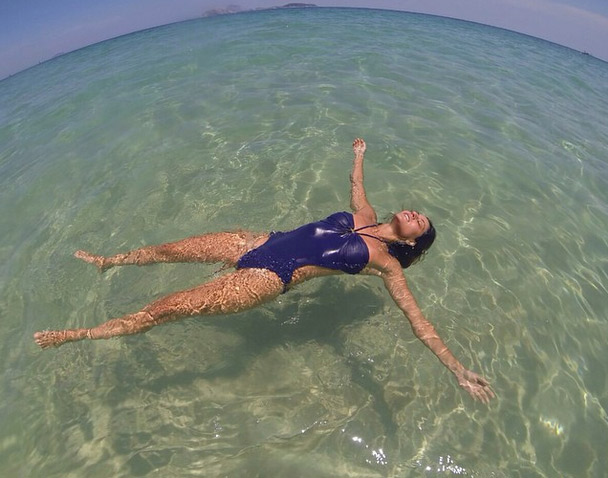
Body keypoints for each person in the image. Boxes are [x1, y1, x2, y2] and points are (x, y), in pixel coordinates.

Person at [34, 138, 494, 403]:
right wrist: (359, 154)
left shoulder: (389, 265)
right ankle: (107, 262)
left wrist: (456, 369)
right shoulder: (365, 215)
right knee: (167, 249)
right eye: (416, 210)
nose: (415, 212)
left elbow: (420, 323)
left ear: (415, 240)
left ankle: (78, 334)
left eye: (421, 221)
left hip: (268, 278)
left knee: (164, 309)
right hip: (258, 240)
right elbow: (356, 185)